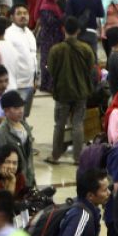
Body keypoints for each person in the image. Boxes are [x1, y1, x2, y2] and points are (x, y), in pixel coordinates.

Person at [47, 17, 96, 164]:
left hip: (62, 92)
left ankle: (55, 155)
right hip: (81, 92)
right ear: (79, 31)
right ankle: (78, 157)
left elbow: (51, 70)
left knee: (59, 124)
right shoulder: (86, 49)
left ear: (63, 29)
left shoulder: (56, 49)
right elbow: (90, 68)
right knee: (78, 123)